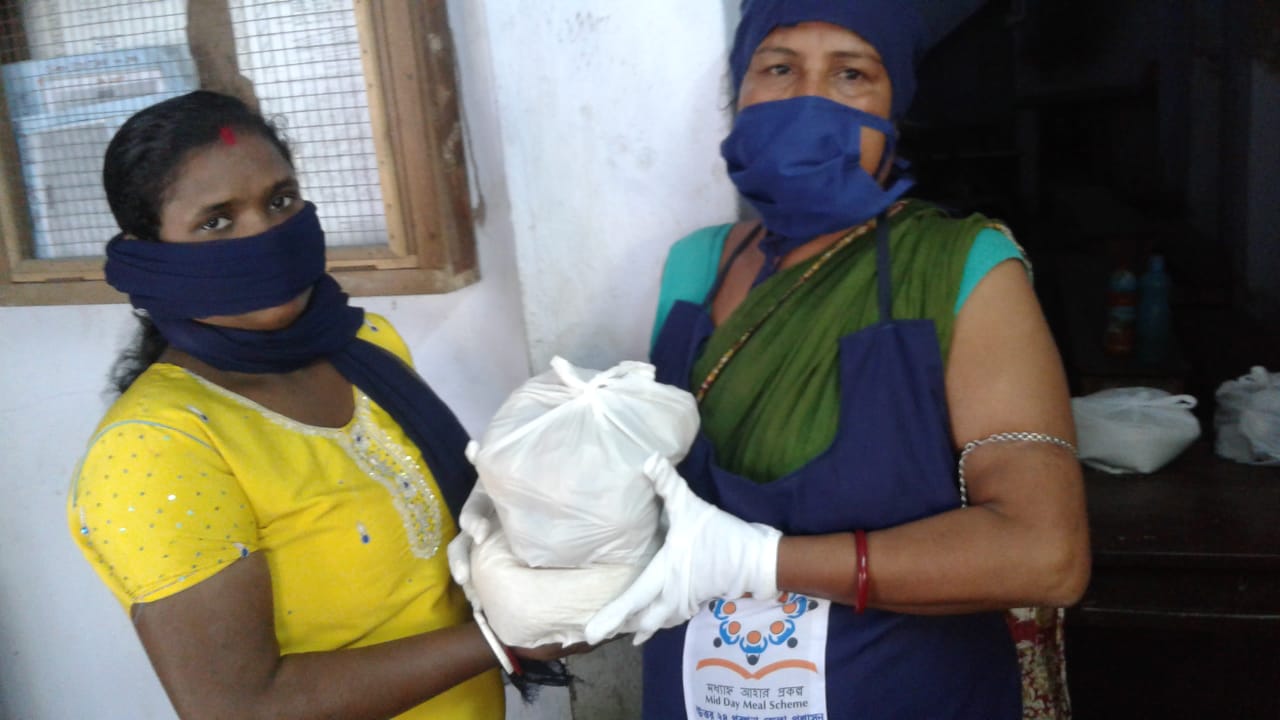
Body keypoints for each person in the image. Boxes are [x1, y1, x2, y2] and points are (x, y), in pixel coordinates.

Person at [584, 1, 1090, 718]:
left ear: (895, 108)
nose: (809, 98)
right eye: (778, 68)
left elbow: (1045, 554)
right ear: (739, 93)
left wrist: (760, 562)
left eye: (851, 74)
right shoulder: (695, 266)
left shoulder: (961, 268)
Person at [66, 90, 576, 720]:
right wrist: (502, 642)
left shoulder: (366, 346)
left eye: (280, 201)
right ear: (148, 255)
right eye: (216, 221)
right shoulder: (155, 447)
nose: (266, 235)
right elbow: (239, 707)